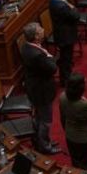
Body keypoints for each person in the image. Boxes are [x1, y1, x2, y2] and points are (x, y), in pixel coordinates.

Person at [21, 22, 61, 154]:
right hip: (41, 91)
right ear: (36, 36)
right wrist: (51, 59)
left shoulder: (26, 47)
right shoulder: (37, 54)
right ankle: (45, 147)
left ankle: (41, 141)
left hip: (34, 88)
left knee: (39, 117)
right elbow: (52, 69)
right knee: (45, 120)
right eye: (40, 30)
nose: (43, 30)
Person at [60, 73, 87, 170]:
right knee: (86, 165)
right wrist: (85, 100)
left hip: (70, 135)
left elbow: (62, 117)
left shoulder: (62, 97)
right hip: (84, 139)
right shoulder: (86, 105)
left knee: (75, 162)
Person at [50, 0, 81, 84]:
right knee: (66, 59)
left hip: (62, 34)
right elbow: (76, 16)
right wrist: (72, 7)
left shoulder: (54, 1)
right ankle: (66, 80)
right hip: (65, 36)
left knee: (65, 58)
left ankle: (66, 76)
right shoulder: (61, 6)